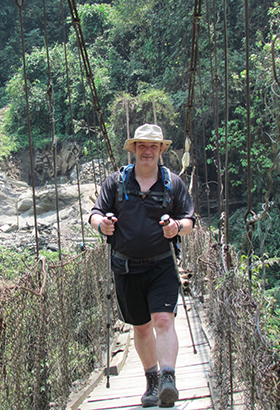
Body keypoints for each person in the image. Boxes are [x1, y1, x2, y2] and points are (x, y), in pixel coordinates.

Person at [88, 123, 195, 408]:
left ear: (161, 150)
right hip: (125, 268)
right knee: (142, 327)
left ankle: (169, 378)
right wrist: (103, 226)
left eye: (154, 146)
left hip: (162, 265)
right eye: (142, 146)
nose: (148, 151)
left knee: (163, 319)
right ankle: (153, 381)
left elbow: (188, 221)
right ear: (134, 149)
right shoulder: (115, 182)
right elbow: (95, 214)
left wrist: (176, 228)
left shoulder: (173, 182)